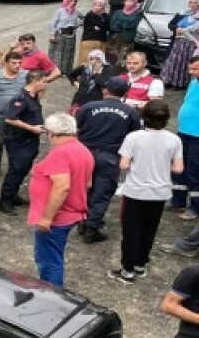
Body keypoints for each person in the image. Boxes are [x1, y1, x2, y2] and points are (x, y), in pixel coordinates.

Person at [108, 100, 182, 283]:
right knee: (150, 229)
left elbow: (124, 164)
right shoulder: (174, 139)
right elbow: (178, 168)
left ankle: (127, 270)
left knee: (132, 230)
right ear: (166, 119)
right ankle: (141, 264)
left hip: (136, 191)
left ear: (144, 118)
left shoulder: (133, 137)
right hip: (160, 192)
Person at [27, 113, 94, 287]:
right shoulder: (83, 150)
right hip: (71, 213)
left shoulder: (61, 153)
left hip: (57, 219)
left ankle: (52, 299)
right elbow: (87, 183)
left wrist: (47, 218)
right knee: (53, 258)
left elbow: (62, 186)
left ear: (50, 133)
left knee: (49, 262)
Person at [75, 77, 141, 243]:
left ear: (105, 90)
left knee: (83, 189)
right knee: (102, 193)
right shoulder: (131, 112)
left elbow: (75, 130)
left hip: (85, 154)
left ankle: (83, 221)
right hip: (110, 157)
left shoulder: (88, 107)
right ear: (126, 92)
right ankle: (92, 228)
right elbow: (133, 137)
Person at [0, 70, 49, 214]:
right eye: (44, 81)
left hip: (30, 140)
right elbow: (10, 118)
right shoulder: (20, 98)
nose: (46, 84)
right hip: (18, 141)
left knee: (23, 169)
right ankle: (5, 201)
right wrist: (32, 128)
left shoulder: (33, 97)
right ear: (34, 81)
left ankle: (13, 195)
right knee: (16, 170)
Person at [0, 51, 28, 177]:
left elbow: (35, 87)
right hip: (0, 115)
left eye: (19, 63)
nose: (17, 66)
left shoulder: (26, 75)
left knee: (17, 141)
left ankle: (16, 167)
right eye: (14, 63)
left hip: (19, 115)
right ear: (6, 63)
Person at [171, 54, 199, 222]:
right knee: (178, 167)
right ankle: (178, 200)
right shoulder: (194, 81)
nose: (191, 72)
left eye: (195, 68)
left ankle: (196, 206)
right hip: (184, 132)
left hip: (197, 135)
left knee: (194, 171)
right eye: (190, 68)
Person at [160, 0, 199, 89]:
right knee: (175, 61)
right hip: (179, 41)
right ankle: (170, 80)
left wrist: (186, 31)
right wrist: (177, 28)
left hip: (191, 42)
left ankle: (181, 83)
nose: (193, 4)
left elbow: (192, 29)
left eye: (195, 2)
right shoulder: (182, 13)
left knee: (186, 62)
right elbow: (172, 25)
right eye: (191, 2)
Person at [108, 0, 143, 65]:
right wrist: (124, 25)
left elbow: (132, 24)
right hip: (115, 41)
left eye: (131, 1)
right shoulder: (118, 12)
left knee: (125, 61)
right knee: (111, 59)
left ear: (135, 2)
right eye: (127, 1)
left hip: (128, 41)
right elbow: (113, 26)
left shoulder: (138, 14)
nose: (129, 3)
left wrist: (120, 23)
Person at [49, 0, 81, 70]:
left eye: (75, 1)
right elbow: (53, 23)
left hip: (71, 34)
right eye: (71, 1)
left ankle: (66, 70)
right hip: (60, 34)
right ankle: (56, 70)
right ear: (67, 1)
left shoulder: (76, 12)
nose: (73, 2)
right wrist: (52, 34)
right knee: (58, 52)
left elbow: (84, 19)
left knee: (68, 52)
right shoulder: (60, 11)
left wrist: (77, 25)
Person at [76, 0, 109, 67]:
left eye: (101, 5)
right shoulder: (89, 15)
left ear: (104, 7)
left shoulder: (105, 16)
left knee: (99, 61)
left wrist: (99, 27)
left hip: (102, 40)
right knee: (85, 60)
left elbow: (106, 27)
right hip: (89, 40)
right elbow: (98, 26)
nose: (98, 7)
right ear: (93, 6)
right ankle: (82, 76)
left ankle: (96, 76)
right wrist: (99, 27)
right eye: (96, 5)